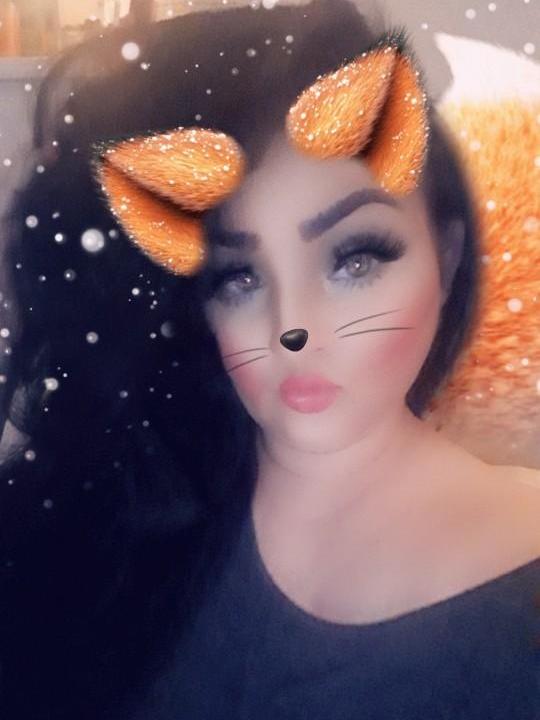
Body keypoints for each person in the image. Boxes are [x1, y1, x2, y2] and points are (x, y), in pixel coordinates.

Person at [0, 1, 538, 718]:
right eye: (239, 278)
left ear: (445, 254)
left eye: (355, 258)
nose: (294, 329)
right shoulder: (127, 499)